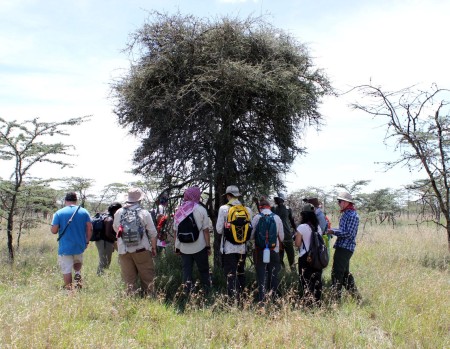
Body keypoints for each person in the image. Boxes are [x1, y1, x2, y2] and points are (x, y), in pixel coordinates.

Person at [113, 188, 157, 296]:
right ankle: (149, 299)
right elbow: (152, 232)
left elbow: (115, 228)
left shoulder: (119, 212)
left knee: (129, 280)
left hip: (124, 250)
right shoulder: (144, 212)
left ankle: (131, 301)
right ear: (139, 200)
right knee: (147, 277)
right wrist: (154, 248)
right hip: (141, 249)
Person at [216, 185, 252, 301]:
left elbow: (219, 229)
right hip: (242, 248)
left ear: (228, 196)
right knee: (241, 273)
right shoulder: (247, 210)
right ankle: (242, 300)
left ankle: (232, 302)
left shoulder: (223, 209)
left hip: (228, 248)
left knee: (231, 275)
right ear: (237, 195)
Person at [51, 192, 92, 290]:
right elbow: (90, 228)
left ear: (65, 201)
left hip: (65, 246)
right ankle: (78, 276)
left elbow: (54, 231)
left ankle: (70, 291)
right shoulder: (84, 212)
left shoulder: (59, 213)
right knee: (77, 263)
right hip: (80, 245)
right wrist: (87, 241)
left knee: (67, 269)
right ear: (76, 201)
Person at [174, 186, 211, 295]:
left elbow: (176, 231)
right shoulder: (201, 209)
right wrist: (208, 246)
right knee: (204, 271)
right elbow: (206, 231)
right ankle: (207, 293)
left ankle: (187, 294)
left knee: (187, 272)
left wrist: (176, 248)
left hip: (184, 248)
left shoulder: (179, 210)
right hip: (200, 246)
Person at [327, 192, 361, 302]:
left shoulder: (352, 215)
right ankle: (357, 298)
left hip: (345, 248)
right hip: (342, 246)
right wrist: (333, 231)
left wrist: (333, 231)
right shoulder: (347, 213)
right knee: (345, 274)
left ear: (346, 202)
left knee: (336, 273)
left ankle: (335, 300)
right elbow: (343, 230)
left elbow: (349, 233)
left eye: (340, 201)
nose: (338, 203)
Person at [251, 198, 284, 302]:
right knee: (274, 274)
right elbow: (282, 237)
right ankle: (274, 298)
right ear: (269, 207)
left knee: (261, 274)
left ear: (260, 207)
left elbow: (251, 236)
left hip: (259, 250)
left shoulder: (257, 217)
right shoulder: (277, 218)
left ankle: (262, 298)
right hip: (274, 249)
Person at [294, 203, 323, 306]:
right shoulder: (318, 227)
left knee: (306, 281)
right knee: (317, 280)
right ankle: (318, 302)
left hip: (305, 257)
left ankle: (308, 304)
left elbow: (297, 244)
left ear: (304, 215)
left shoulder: (301, 227)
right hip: (316, 257)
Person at [95, 202, 122, 275]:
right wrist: (116, 239)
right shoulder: (110, 219)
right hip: (105, 242)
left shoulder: (106, 215)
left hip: (104, 241)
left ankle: (102, 275)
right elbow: (108, 233)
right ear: (116, 210)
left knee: (105, 260)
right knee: (105, 261)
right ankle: (100, 276)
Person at [272, 192, 296, 271]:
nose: (275, 200)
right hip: (277, 236)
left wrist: (296, 230)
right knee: (279, 257)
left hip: (287, 235)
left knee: (291, 256)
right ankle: (281, 272)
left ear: (281, 199)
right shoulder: (273, 209)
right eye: (275, 198)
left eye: (277, 198)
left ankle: (293, 272)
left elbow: (292, 221)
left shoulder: (288, 209)